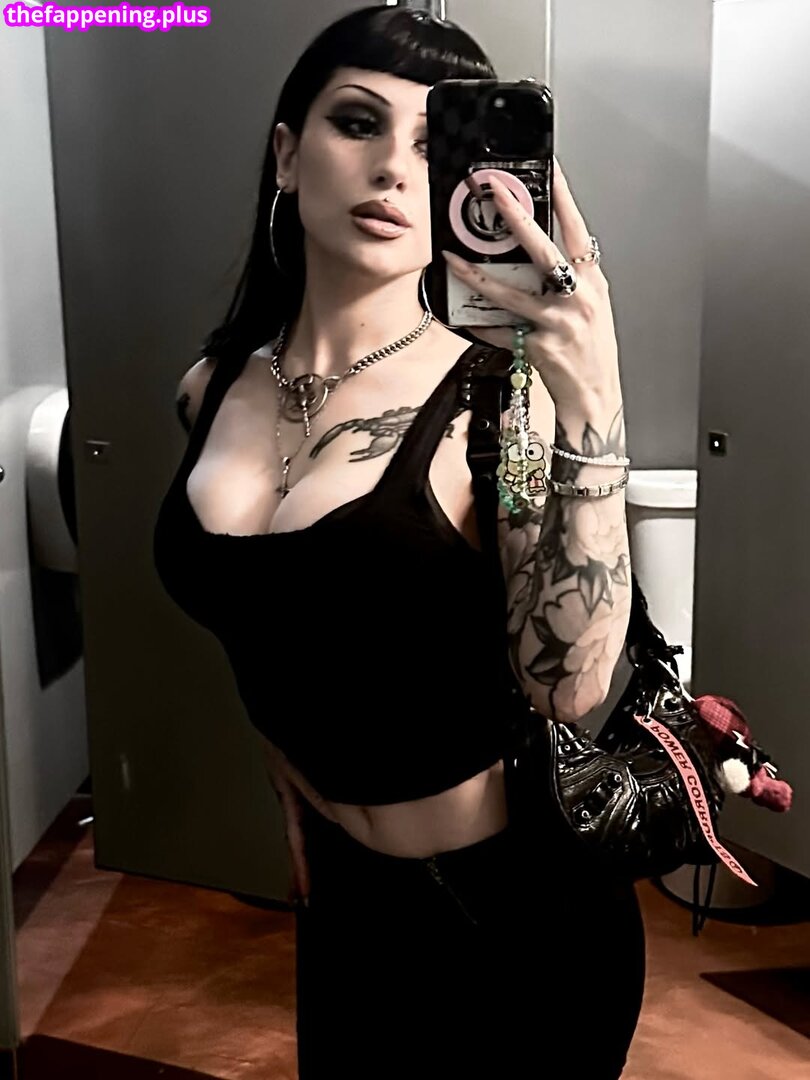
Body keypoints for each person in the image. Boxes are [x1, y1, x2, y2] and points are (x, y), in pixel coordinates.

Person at [153, 6, 645, 1077]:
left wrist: (593, 397)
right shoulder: (213, 386)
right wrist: (283, 755)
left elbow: (569, 686)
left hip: (517, 925)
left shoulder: (500, 403)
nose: (391, 168)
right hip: (345, 905)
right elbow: (264, 601)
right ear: (288, 154)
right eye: (357, 122)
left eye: (434, 146)